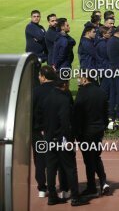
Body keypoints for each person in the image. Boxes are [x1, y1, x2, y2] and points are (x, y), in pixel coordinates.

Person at [41, 78, 87, 206]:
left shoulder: (47, 99)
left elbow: (42, 118)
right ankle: (75, 197)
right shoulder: (64, 100)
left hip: (49, 138)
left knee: (50, 168)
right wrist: (68, 139)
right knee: (70, 168)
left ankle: (52, 197)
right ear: (64, 85)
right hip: (62, 139)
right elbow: (65, 122)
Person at [72, 72, 110, 197]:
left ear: (84, 79)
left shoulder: (82, 93)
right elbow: (105, 114)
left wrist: (76, 132)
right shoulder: (101, 92)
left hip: (86, 131)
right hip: (98, 130)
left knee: (89, 160)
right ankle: (103, 181)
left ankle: (92, 186)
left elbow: (77, 115)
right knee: (96, 156)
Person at [33, 66, 58, 198]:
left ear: (43, 76)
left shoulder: (36, 91)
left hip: (38, 131)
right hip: (56, 130)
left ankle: (42, 188)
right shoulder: (58, 90)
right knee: (54, 159)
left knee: (40, 160)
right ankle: (55, 186)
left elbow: (31, 112)